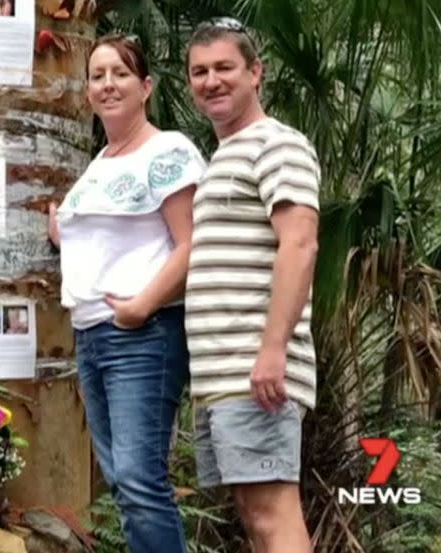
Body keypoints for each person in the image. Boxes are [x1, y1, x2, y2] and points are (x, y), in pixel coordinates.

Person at [47, 35, 204, 553]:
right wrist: (62, 231)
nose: (107, 84)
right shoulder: (101, 161)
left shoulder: (168, 150)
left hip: (142, 334)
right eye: (97, 75)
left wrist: (142, 306)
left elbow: (191, 242)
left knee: (140, 480)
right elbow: (106, 240)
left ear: (146, 87)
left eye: (120, 73)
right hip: (92, 335)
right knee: (122, 482)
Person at [184, 17, 319, 553]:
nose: (211, 81)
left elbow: (301, 244)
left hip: (255, 369)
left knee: (271, 514)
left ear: (255, 72)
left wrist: (272, 350)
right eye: (199, 71)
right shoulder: (224, 157)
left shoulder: (276, 144)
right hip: (224, 374)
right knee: (253, 512)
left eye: (224, 68)